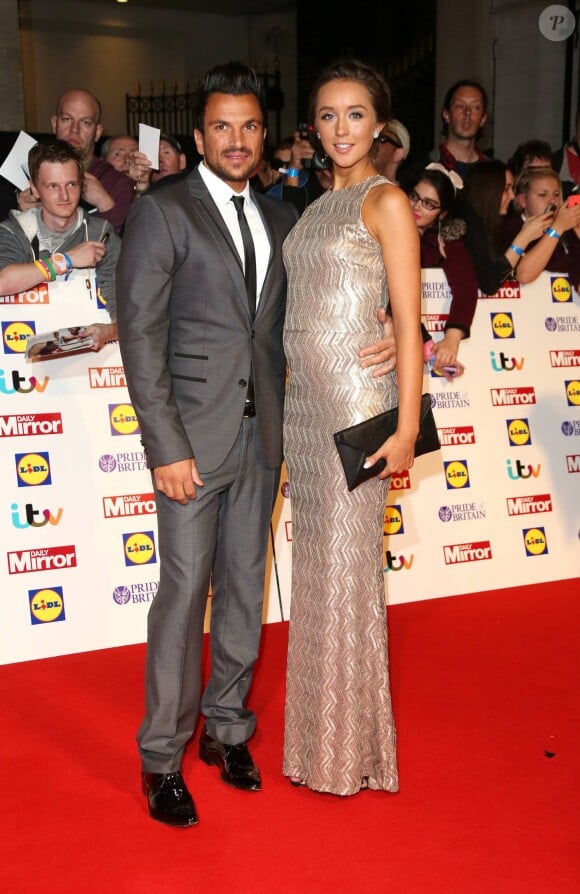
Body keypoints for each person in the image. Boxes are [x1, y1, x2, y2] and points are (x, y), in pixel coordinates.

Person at [117, 60, 399, 828]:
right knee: (183, 597)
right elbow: (140, 338)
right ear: (199, 134)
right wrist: (164, 445)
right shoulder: (162, 211)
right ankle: (163, 757)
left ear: (262, 134)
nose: (236, 140)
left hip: (267, 436)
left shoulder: (288, 218)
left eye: (248, 126)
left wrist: (392, 330)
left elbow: (325, 305)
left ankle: (228, 730)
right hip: (191, 445)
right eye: (220, 127)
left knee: (245, 589)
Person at [282, 59, 423, 795]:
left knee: (346, 574)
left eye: (356, 115)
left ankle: (347, 752)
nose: (342, 129)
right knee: (319, 575)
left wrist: (403, 428)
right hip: (305, 411)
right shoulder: (312, 205)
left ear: (380, 125)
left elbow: (410, 322)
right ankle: (320, 743)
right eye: (329, 116)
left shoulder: (386, 200)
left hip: (357, 409)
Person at [0, 139, 119, 349]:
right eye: (53, 186)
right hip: (21, 359)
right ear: (35, 189)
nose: (64, 196)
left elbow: (131, 312)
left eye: (71, 184)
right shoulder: (15, 230)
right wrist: (66, 260)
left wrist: (108, 332)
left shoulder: (101, 234)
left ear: (81, 185)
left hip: (89, 364)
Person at [17, 90, 133, 235]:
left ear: (97, 132)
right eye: (67, 119)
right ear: (54, 124)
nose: (74, 130)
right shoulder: (30, 174)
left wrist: (105, 204)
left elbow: (127, 247)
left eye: (85, 122)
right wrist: (24, 216)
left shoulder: (117, 183)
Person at [407, 163, 477, 370]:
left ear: (443, 213)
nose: (417, 206)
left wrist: (451, 339)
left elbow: (466, 287)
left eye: (429, 204)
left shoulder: (446, 242)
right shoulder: (382, 229)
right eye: (414, 196)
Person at [461, 159, 551, 295]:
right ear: (488, 190)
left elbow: (505, 272)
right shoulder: (469, 224)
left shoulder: (495, 225)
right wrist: (523, 238)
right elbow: (489, 283)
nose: (512, 196)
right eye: (506, 189)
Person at [505, 166, 580, 287]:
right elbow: (524, 275)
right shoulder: (510, 228)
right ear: (523, 200)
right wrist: (556, 229)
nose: (552, 201)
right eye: (542, 194)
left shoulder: (567, 230)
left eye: (556, 195)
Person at [431, 79, 489, 179]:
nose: (467, 112)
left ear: (483, 119)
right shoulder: (427, 168)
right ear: (446, 115)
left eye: (475, 107)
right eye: (460, 106)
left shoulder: (492, 173)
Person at [374, 118, 410, 183]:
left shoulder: (397, 193)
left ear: (398, 154)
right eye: (374, 137)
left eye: (382, 139)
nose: (373, 143)